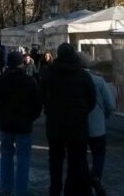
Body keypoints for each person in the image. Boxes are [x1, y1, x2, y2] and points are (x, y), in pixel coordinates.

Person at [41, 42, 96, 196]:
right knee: (76, 159)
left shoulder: (49, 74)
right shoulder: (83, 75)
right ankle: (71, 189)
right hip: (77, 124)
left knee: (55, 158)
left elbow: (42, 95)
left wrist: (50, 110)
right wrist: (82, 112)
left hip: (55, 123)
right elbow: (91, 99)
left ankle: (55, 188)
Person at [0, 51, 42, 196]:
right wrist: (31, 117)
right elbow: (37, 103)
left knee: (6, 156)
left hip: (6, 123)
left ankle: (6, 187)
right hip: (24, 124)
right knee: (23, 157)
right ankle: (21, 190)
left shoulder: (1, 79)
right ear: (21, 63)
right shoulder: (29, 80)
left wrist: (0, 112)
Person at [82, 53, 115, 196]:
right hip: (97, 125)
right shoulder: (99, 81)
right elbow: (110, 104)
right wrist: (104, 116)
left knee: (80, 155)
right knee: (99, 154)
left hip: (77, 125)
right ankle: (96, 176)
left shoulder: (70, 80)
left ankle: (84, 181)